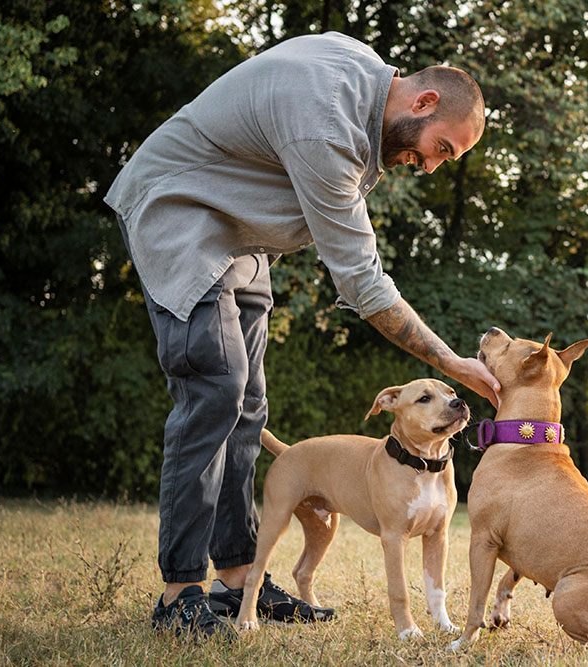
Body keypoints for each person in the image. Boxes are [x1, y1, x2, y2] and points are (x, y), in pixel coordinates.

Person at [104, 31, 499, 640]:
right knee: (216, 392)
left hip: (240, 237)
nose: (428, 165)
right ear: (421, 103)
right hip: (180, 212)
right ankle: (179, 594)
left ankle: (238, 582)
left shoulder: (363, 69)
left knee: (248, 407)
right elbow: (363, 282)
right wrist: (449, 362)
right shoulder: (327, 129)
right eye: (440, 149)